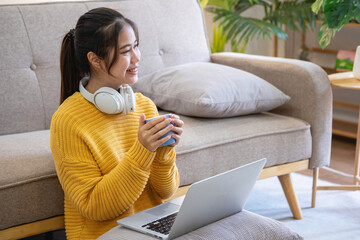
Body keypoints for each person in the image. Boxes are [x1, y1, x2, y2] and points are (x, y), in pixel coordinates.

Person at [50, 7, 183, 240]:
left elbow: (166, 192)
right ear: (95, 59)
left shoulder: (144, 106)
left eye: (136, 46)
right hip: (106, 233)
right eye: (125, 51)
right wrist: (143, 151)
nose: (137, 57)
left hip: (152, 227)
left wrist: (163, 151)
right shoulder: (68, 119)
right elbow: (96, 207)